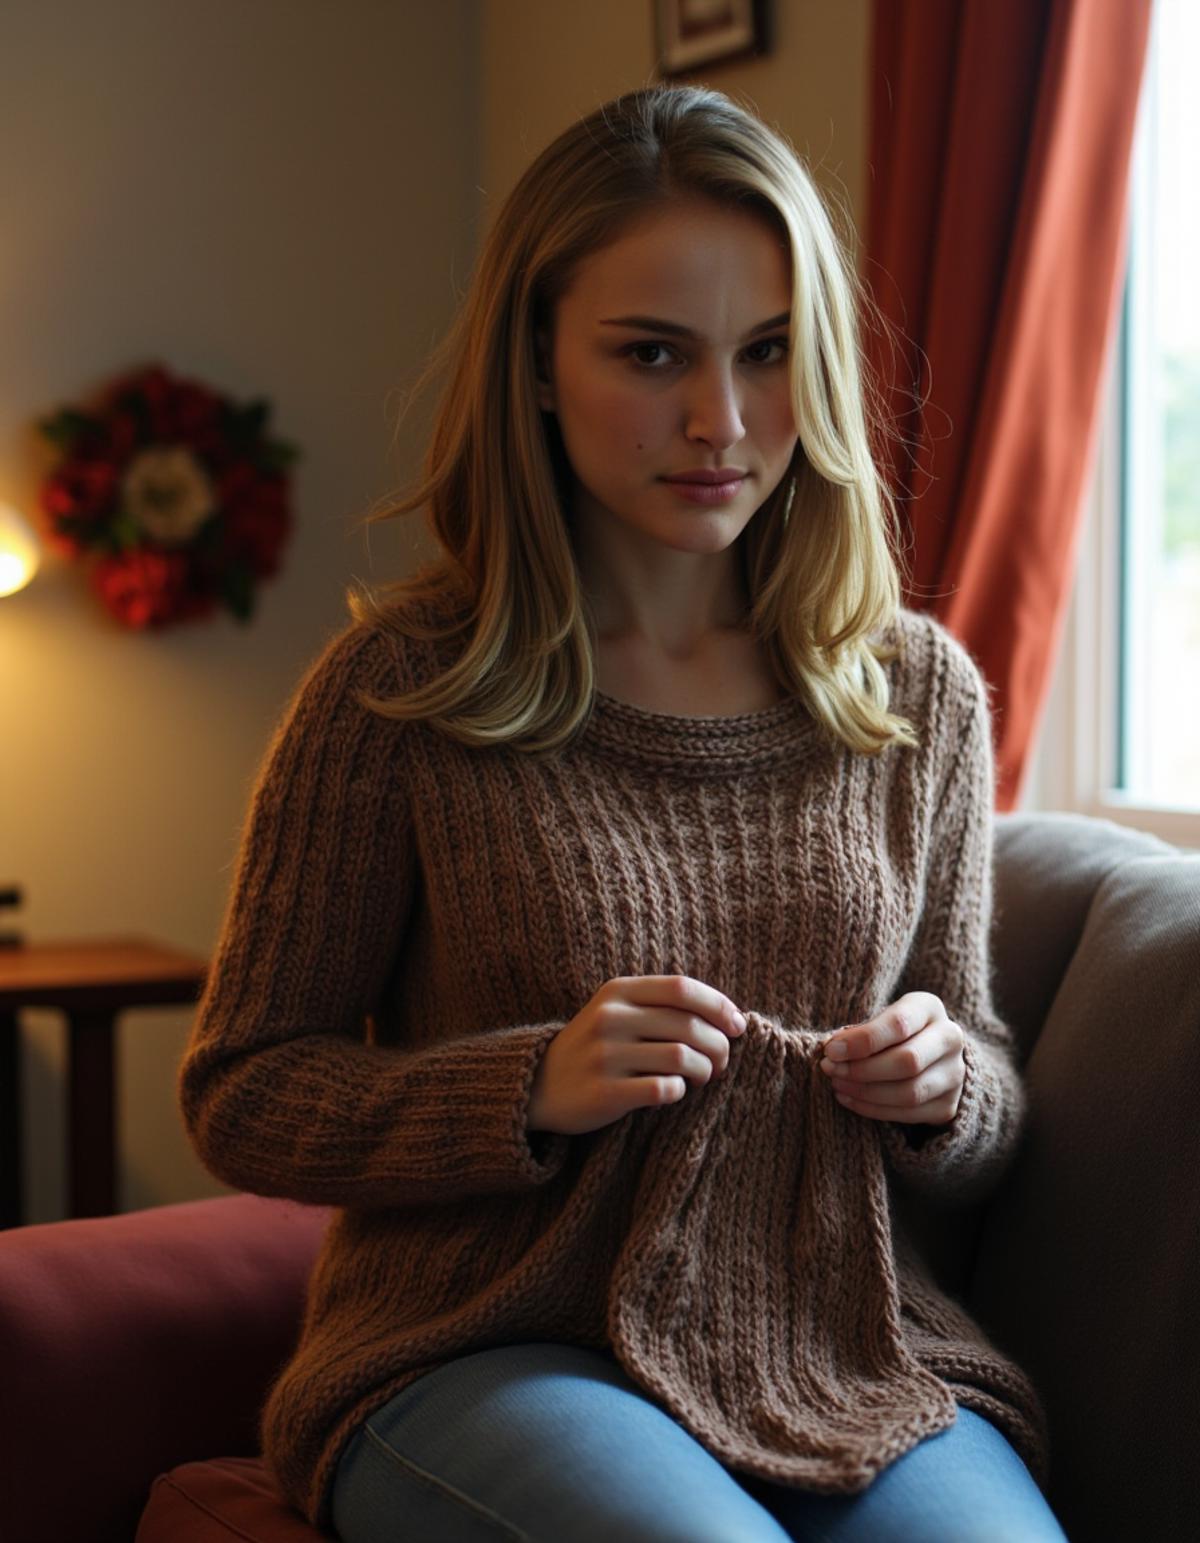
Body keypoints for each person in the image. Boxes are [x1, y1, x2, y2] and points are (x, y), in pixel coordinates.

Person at [178, 84, 1071, 1543]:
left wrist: (946, 1085)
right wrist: (525, 1086)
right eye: (652, 354)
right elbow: (245, 1088)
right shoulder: (401, 695)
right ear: (538, 362)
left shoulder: (920, 698)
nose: (722, 421)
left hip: (846, 1353)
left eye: (770, 354)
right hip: (488, 1347)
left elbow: (982, 1079)